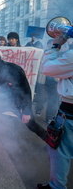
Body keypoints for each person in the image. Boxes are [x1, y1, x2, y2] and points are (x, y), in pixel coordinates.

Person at [37, 34, 73, 189]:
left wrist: (55, 46)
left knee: (60, 151)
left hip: (69, 112)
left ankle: (56, 186)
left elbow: (47, 68)